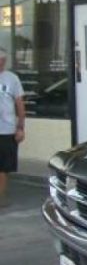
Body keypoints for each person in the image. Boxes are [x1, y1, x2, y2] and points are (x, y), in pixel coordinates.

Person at [0, 48, 25, 207]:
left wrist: (20, 127)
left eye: (3, 59)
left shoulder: (12, 79)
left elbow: (19, 103)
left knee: (3, 168)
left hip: (7, 130)